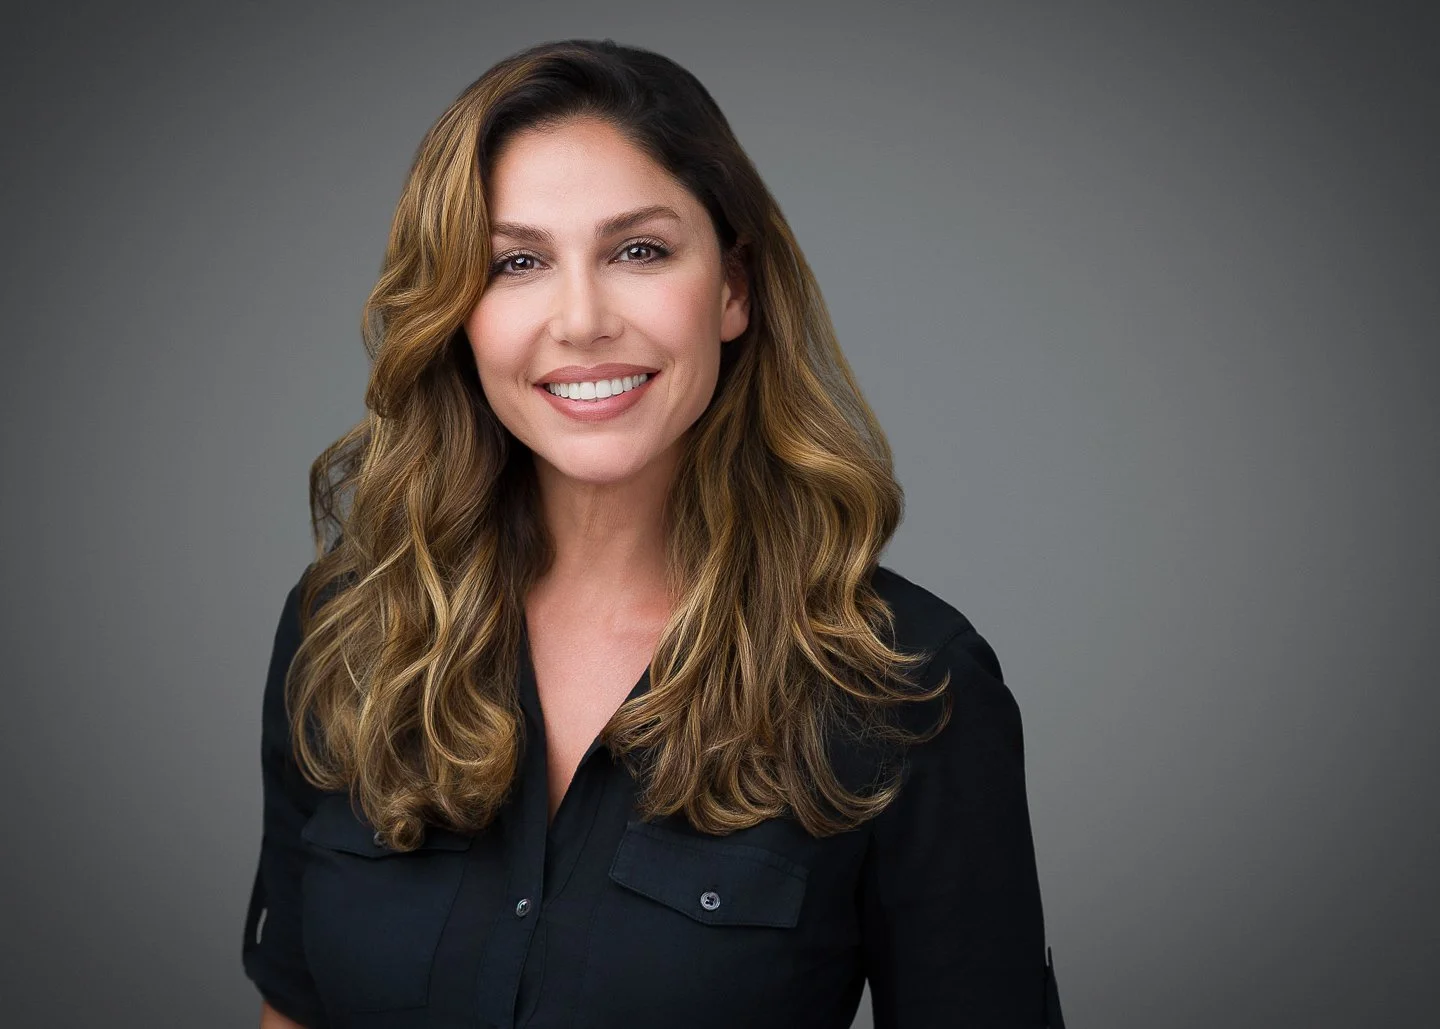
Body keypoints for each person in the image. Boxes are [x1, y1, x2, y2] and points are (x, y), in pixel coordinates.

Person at [241, 37, 1065, 1029]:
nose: (581, 319)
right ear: (457, 314)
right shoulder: (346, 630)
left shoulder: (902, 684)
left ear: (733, 289)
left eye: (639, 250)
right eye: (516, 262)